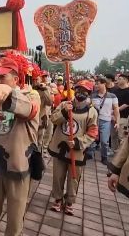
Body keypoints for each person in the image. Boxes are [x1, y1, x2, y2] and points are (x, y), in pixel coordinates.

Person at [0, 57, 40, 236]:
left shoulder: (31, 95)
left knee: (15, 220)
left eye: (2, 78)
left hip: (18, 164)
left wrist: (9, 92)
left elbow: (29, 110)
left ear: (15, 79)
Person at [48, 80, 98, 215]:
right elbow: (53, 119)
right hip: (60, 147)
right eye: (78, 90)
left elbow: (93, 132)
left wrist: (78, 142)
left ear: (89, 93)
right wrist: (64, 112)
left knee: (73, 178)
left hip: (76, 151)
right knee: (58, 176)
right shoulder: (65, 104)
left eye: (84, 91)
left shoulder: (91, 112)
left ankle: (69, 201)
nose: (80, 93)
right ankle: (58, 199)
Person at [91, 77, 120, 165]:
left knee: (104, 141)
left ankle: (104, 157)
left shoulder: (112, 96)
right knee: (91, 138)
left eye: (98, 83)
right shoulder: (92, 95)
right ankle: (88, 154)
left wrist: (117, 122)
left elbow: (116, 109)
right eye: (95, 83)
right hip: (93, 120)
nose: (96, 85)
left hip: (106, 121)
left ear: (104, 84)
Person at [110, 74, 129, 152]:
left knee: (121, 136)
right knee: (113, 135)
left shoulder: (128, 91)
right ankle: (114, 150)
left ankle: (120, 154)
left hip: (123, 117)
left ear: (125, 80)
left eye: (120, 79)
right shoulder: (115, 91)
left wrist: (115, 111)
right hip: (113, 117)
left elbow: (126, 104)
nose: (118, 80)